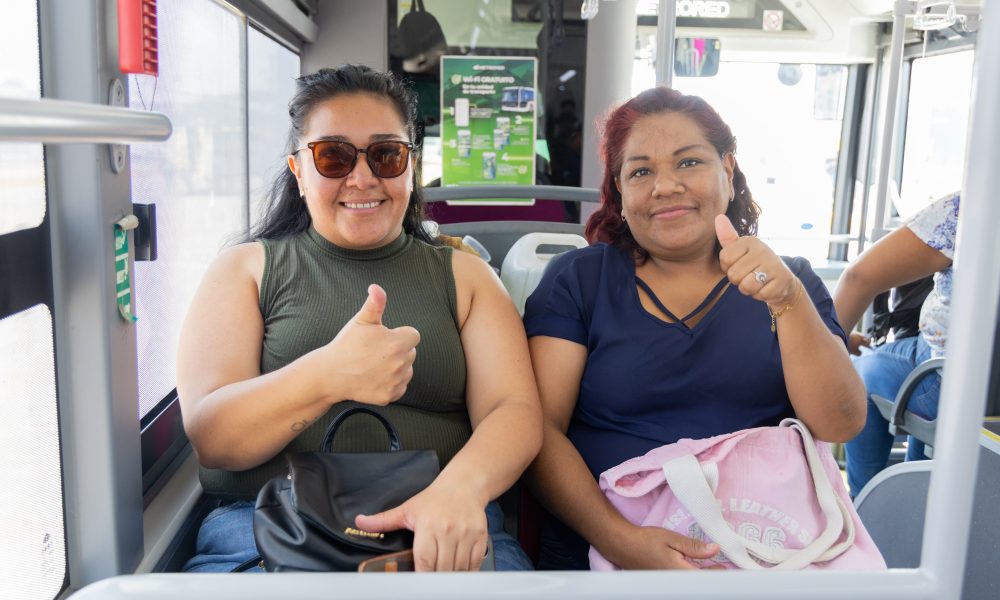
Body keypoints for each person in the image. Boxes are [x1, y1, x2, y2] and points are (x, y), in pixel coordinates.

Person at [176, 65, 541, 573]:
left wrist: (460, 490)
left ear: (411, 166)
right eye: (334, 156)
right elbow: (214, 439)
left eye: (386, 155)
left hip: (442, 528)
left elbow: (513, 410)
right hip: (268, 531)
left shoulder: (466, 277)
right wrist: (330, 375)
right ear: (299, 170)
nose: (363, 177)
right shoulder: (245, 271)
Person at [522, 86, 866, 570]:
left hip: (769, 554)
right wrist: (619, 540)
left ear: (728, 169)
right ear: (620, 191)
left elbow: (840, 423)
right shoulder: (578, 281)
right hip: (601, 553)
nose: (665, 186)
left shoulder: (792, 281)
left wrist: (787, 300)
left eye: (688, 162)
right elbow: (538, 430)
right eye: (641, 171)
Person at [834, 192, 959, 498]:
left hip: (950, 379)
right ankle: (916, 496)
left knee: (859, 370)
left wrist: (830, 344)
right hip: (983, 392)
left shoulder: (970, 210)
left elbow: (859, 277)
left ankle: (863, 503)